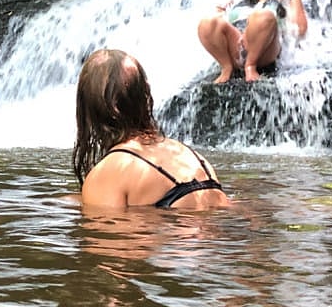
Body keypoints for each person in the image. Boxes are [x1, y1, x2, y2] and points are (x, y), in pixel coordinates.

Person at [73, 48, 230, 209]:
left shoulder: (109, 174)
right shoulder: (191, 157)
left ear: (88, 110)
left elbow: (107, 222)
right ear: (145, 96)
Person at [197, 0, 308, 83]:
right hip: (237, 48)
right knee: (207, 22)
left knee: (262, 16)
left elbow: (300, 31)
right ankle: (226, 67)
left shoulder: (281, 2)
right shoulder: (238, 3)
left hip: (266, 52)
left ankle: (250, 66)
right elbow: (218, 29)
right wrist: (221, 13)